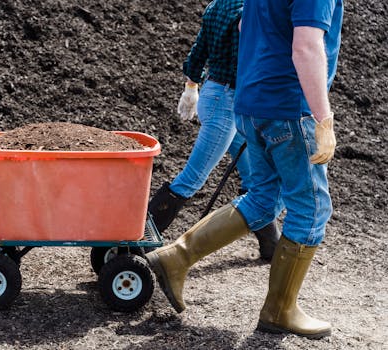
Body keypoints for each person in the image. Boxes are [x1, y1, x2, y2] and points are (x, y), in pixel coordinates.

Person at [146, 0, 343, 339]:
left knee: (264, 197)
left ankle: (176, 257)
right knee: (311, 209)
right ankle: (280, 311)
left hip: (251, 103)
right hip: (289, 109)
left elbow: (243, 28)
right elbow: (307, 46)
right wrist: (323, 119)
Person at [148, 0, 280, 261]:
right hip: (228, 103)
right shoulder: (250, 11)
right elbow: (252, 59)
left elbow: (198, 51)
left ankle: (271, 245)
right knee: (193, 178)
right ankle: (138, 238)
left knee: (253, 176)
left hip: (213, 94)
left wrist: (191, 87)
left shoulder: (217, 5)